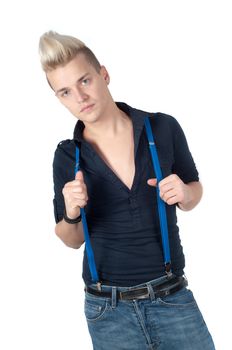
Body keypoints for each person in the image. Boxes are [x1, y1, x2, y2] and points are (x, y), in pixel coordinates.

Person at [39, 31, 215, 350]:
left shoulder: (161, 128)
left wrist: (185, 194)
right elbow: (70, 239)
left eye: (84, 81)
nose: (79, 97)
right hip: (107, 311)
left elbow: (194, 190)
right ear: (59, 99)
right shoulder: (68, 155)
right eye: (65, 92)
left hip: (172, 299)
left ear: (103, 74)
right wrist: (71, 211)